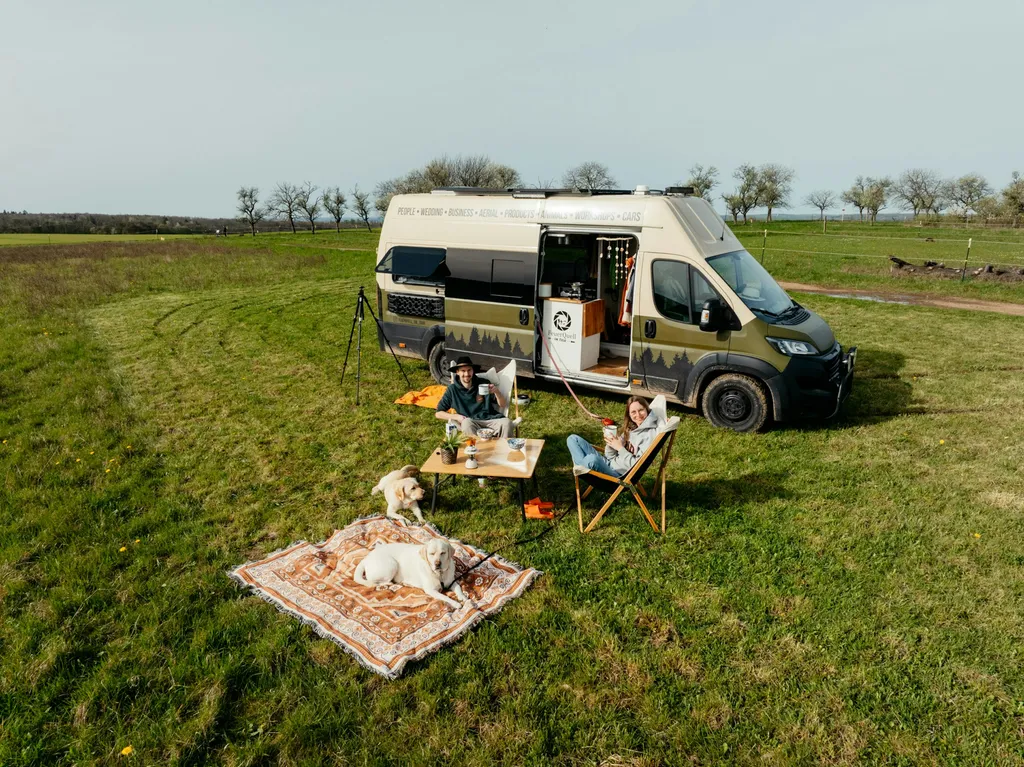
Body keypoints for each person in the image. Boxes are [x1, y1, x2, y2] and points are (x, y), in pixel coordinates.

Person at [567, 396, 659, 477]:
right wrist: (611, 444)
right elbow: (609, 457)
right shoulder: (631, 429)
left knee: (591, 459)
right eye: (633, 412)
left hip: (619, 475)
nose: (638, 415)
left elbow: (637, 465)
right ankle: (583, 470)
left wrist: (619, 448)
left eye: (641, 410)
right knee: (573, 439)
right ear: (629, 415)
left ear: (647, 409)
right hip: (609, 464)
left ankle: (582, 470)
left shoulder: (649, 435)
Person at [435, 355, 512, 438]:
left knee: (506, 423)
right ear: (457, 372)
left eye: (469, 370)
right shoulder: (452, 390)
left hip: (490, 419)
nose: (467, 374)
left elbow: (503, 405)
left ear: (473, 370)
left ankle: (503, 449)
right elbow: (438, 413)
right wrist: (456, 417)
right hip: (471, 422)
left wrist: (497, 392)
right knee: (466, 423)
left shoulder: (484, 383)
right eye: (463, 371)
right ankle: (474, 449)